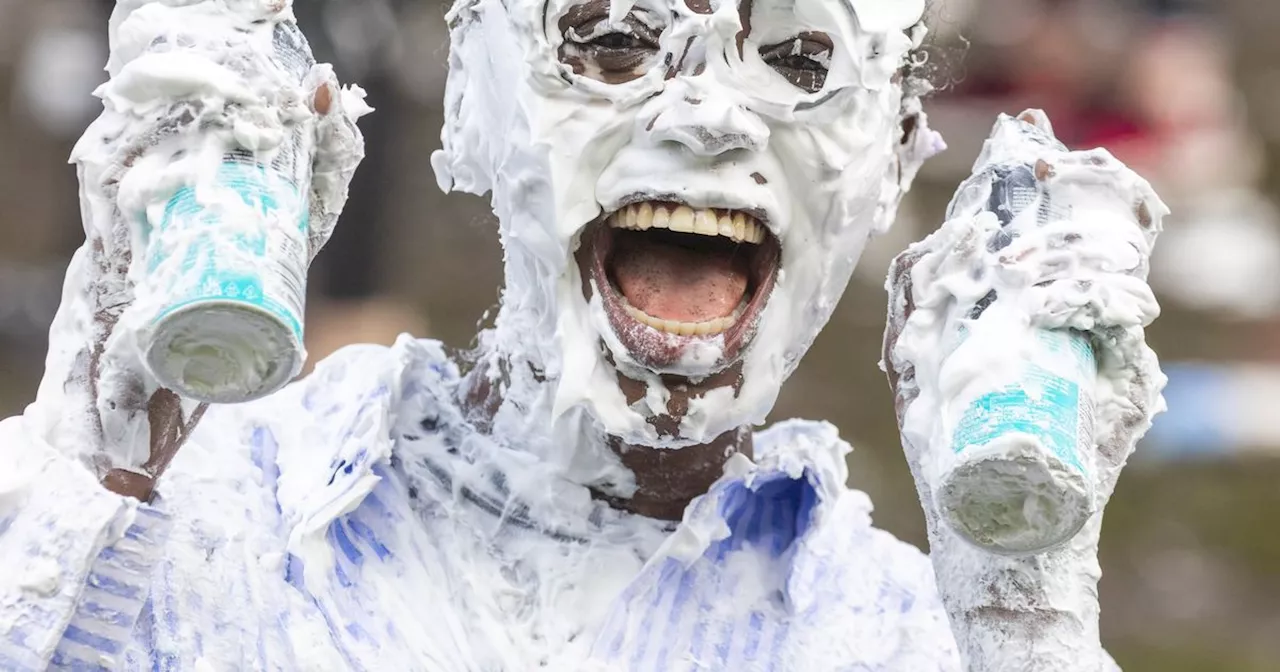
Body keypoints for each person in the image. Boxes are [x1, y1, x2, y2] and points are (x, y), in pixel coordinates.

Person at [0, 1, 1165, 670]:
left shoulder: (899, 639)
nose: (708, 120)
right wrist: (92, 466)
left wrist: (1024, 623)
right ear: (470, 109)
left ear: (893, 153)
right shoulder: (194, 516)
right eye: (610, 45)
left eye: (800, 64)